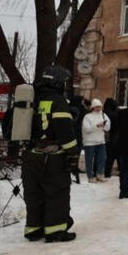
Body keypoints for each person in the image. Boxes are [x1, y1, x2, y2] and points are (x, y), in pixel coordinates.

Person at [22, 65, 79, 243]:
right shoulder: (57, 101)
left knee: (34, 194)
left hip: (31, 156)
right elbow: (65, 132)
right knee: (57, 192)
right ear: (57, 83)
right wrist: (73, 154)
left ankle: (34, 228)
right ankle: (55, 230)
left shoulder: (33, 98)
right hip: (52, 158)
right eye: (63, 82)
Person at [81, 99, 110, 182]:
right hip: (90, 142)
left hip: (101, 141)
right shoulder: (88, 117)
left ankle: (99, 174)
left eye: (100, 106)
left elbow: (108, 128)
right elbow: (87, 129)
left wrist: (104, 125)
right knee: (89, 160)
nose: (98, 108)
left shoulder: (104, 115)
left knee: (103, 158)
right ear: (93, 107)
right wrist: (97, 126)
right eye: (97, 106)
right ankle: (90, 176)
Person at [103, 98, 119, 178]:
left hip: (103, 137)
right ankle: (107, 172)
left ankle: (98, 171)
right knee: (110, 157)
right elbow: (116, 127)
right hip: (112, 138)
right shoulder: (115, 114)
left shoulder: (103, 113)